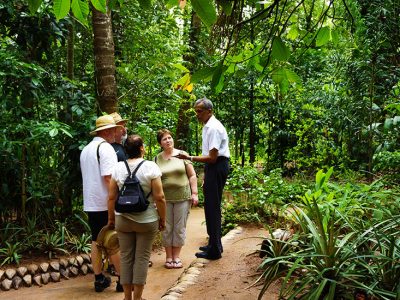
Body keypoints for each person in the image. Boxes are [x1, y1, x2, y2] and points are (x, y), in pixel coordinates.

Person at [107, 134, 167, 300]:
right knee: (141, 258)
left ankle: (127, 297)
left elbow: (112, 197)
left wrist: (111, 219)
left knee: (126, 257)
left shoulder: (118, 168)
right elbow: (160, 197)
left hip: (123, 219)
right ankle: (138, 298)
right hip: (147, 220)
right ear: (142, 148)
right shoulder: (151, 166)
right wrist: (163, 218)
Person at [175, 97, 230, 260]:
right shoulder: (207, 126)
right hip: (213, 167)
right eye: (195, 111)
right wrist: (206, 173)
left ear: (209, 111)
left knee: (213, 207)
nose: (197, 114)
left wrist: (189, 157)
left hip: (217, 164)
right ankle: (214, 244)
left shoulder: (213, 128)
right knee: (210, 206)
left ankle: (215, 250)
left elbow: (212, 158)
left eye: (199, 111)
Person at [80, 115, 122, 292]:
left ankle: (98, 279)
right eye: (113, 129)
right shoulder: (106, 148)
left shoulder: (87, 149)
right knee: (114, 241)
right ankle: (123, 280)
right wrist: (118, 199)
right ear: (106, 131)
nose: (116, 132)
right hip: (106, 203)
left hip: (91, 203)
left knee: (96, 241)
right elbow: (108, 178)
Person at [155, 129, 198, 269]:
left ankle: (176, 257)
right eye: (164, 139)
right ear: (160, 143)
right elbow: (154, 180)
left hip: (183, 197)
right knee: (166, 227)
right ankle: (168, 257)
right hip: (164, 199)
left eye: (169, 137)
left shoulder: (182, 155)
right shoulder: (157, 159)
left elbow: (192, 175)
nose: (168, 140)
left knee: (179, 227)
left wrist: (195, 193)